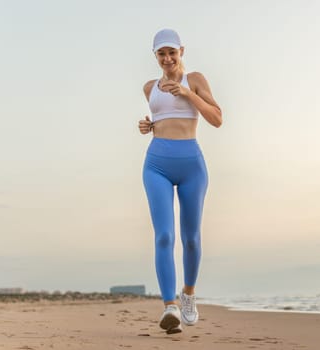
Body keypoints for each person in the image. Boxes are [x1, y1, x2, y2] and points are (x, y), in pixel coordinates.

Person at [138, 28, 222, 334]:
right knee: (163, 236)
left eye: (172, 52)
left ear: (181, 52)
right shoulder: (149, 88)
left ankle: (187, 295)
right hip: (156, 164)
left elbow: (217, 118)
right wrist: (149, 125)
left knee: (191, 238)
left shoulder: (195, 80)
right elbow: (162, 118)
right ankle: (169, 306)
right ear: (155, 56)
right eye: (161, 53)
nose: (167, 58)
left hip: (191, 166)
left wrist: (188, 94)